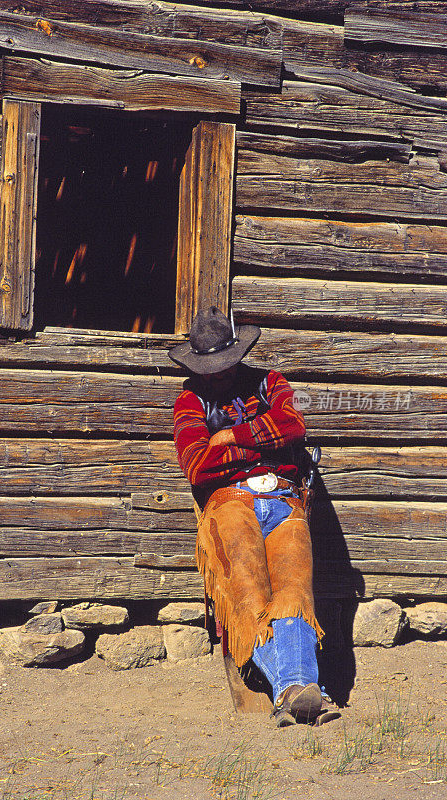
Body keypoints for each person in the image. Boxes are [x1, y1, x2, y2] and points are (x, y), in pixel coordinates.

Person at [169, 306, 334, 726]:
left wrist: (231, 437)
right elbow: (197, 466)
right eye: (211, 367)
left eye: (225, 364)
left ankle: (291, 692)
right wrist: (264, 445)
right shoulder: (190, 401)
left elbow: (293, 425)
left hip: (283, 497)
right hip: (228, 503)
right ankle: (297, 689)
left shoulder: (270, 382)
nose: (219, 374)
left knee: (294, 590)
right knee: (248, 593)